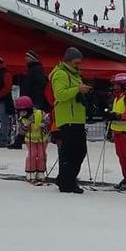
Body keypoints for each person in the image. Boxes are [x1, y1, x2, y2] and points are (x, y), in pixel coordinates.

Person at [49, 47, 92, 194]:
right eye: (76, 61)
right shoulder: (61, 74)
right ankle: (67, 182)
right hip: (68, 119)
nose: (78, 64)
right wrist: (78, 90)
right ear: (68, 60)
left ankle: (66, 179)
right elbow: (59, 95)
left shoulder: (75, 75)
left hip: (77, 119)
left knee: (77, 151)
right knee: (73, 152)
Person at [15, 95, 50, 184]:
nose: (22, 114)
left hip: (42, 139)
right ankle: (30, 172)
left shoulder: (39, 113)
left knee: (42, 154)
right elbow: (21, 132)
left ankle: (40, 172)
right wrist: (25, 127)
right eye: (20, 112)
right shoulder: (22, 119)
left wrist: (44, 126)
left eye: (23, 111)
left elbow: (47, 120)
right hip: (30, 140)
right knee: (32, 154)